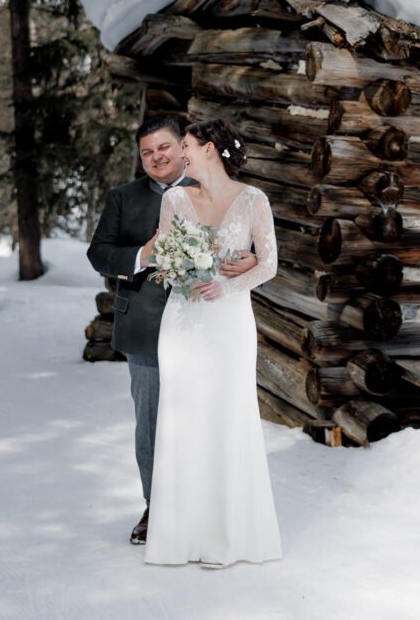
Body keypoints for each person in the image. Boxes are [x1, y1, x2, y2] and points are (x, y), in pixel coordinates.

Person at [87, 117, 258, 546]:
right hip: (146, 330)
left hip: (204, 327)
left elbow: (244, 243)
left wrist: (252, 260)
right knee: (152, 426)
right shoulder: (122, 198)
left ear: (182, 149)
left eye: (164, 147)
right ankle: (156, 508)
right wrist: (143, 254)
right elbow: (99, 253)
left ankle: (204, 510)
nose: (156, 157)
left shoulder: (213, 189)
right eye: (147, 152)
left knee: (203, 421)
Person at [144, 118, 282, 568]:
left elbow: (269, 264)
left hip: (229, 323)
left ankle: (225, 538)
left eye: (186, 145)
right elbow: (164, 253)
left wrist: (226, 287)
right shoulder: (175, 199)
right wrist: (177, 264)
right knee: (183, 421)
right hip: (182, 321)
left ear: (210, 149)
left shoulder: (253, 200)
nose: (180, 154)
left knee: (227, 418)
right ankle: (179, 537)